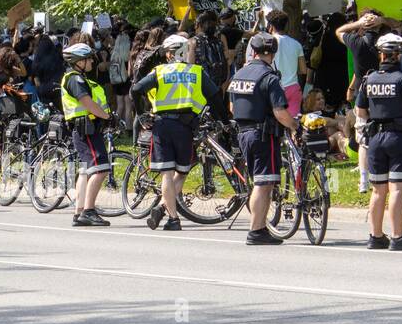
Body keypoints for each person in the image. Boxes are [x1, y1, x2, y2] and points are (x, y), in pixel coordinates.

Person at [130, 33, 221, 231]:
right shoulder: (196, 72)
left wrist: (142, 114)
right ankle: (164, 208)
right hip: (186, 127)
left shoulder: (159, 72)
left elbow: (136, 89)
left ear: (170, 54)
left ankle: (172, 217)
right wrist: (224, 119)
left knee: (166, 174)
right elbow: (215, 96)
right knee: (182, 171)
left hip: (162, 127)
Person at [355, 34, 402, 250]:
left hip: (375, 139)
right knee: (397, 188)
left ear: (381, 54)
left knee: (378, 190)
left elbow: (361, 111)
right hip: (399, 137)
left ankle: (375, 235)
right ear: (398, 55)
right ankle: (398, 236)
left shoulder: (368, 80)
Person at [228, 33, 299, 245]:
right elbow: (280, 112)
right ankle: (256, 230)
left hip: (243, 133)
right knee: (264, 183)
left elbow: (232, 107)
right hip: (262, 134)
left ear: (254, 51)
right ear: (274, 53)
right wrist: (294, 125)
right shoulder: (270, 77)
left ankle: (258, 228)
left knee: (259, 181)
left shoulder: (239, 74)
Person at [336, 10, 401, 191]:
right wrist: (382, 19)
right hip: (386, 92)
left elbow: (339, 31)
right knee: (385, 132)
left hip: (363, 93)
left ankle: (364, 180)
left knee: (364, 136)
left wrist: (359, 23)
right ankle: (387, 171)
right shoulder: (386, 44)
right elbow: (399, 25)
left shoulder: (356, 43)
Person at [60, 42, 115, 227]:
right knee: (101, 169)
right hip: (87, 130)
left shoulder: (77, 78)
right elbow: (87, 102)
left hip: (86, 129)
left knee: (86, 171)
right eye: (88, 58)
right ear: (78, 61)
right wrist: (107, 116)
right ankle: (89, 211)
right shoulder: (75, 79)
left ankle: (79, 210)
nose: (91, 61)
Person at [265, 10, 307, 116]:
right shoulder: (296, 44)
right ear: (286, 25)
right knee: (293, 125)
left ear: (271, 25)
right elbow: (303, 70)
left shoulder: (267, 43)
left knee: (274, 125)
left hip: (273, 88)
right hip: (293, 87)